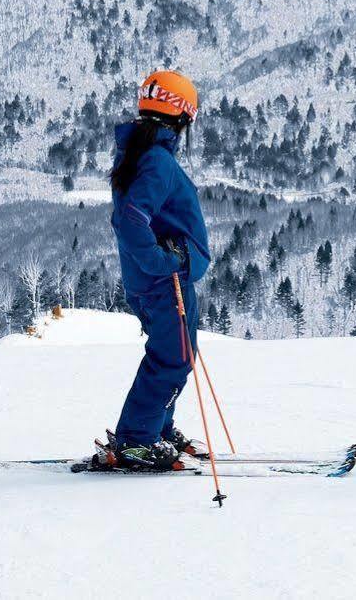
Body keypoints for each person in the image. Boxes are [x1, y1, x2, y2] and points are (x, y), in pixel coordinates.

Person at [91, 68, 212, 471]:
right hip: (166, 282)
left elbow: (134, 218)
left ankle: (156, 428)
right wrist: (164, 261)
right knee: (172, 359)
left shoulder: (139, 154)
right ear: (181, 115)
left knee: (176, 355)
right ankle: (137, 440)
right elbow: (131, 219)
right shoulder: (157, 160)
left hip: (156, 280)